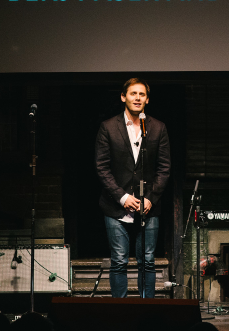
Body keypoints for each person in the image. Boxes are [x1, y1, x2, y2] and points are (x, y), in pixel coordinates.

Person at [95, 78, 171, 298]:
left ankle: (145, 312)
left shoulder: (157, 128)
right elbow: (101, 167)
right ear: (123, 97)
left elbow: (164, 168)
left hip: (149, 206)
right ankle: (121, 312)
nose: (137, 98)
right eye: (132, 93)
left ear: (147, 99)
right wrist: (122, 197)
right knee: (119, 260)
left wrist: (150, 198)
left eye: (142, 94)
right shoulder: (108, 127)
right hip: (115, 206)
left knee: (147, 261)